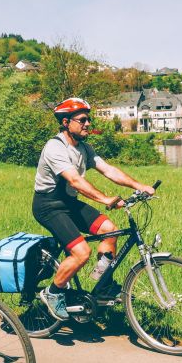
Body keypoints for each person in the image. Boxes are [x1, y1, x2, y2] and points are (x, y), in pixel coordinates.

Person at [32, 97, 155, 321]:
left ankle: (102, 285)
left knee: (111, 231)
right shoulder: (54, 148)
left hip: (69, 203)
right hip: (48, 206)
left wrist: (140, 186)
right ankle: (53, 292)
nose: (88, 124)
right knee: (82, 253)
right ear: (67, 122)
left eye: (89, 119)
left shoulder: (84, 148)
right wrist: (105, 199)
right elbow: (75, 181)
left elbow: (108, 170)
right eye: (82, 120)